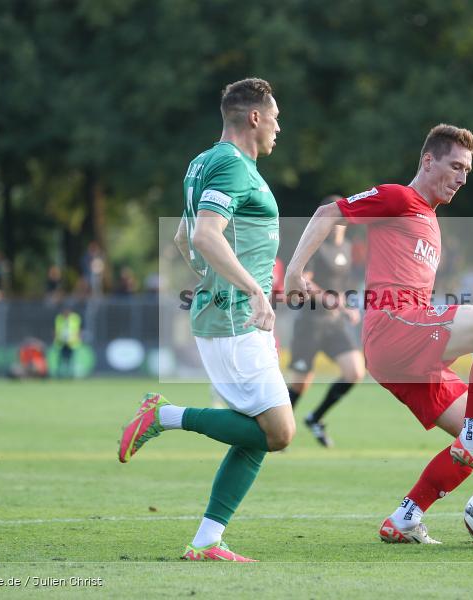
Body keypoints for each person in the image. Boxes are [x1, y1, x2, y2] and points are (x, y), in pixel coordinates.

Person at [285, 124, 473, 545]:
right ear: (428, 160)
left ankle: (405, 519)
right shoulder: (400, 197)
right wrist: (294, 270)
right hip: (397, 328)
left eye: (467, 170)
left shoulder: (429, 219)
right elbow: (328, 213)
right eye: (456, 166)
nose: (463, 177)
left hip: (406, 349)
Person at [117, 78, 293, 562]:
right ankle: (163, 415)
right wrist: (252, 289)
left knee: (256, 432)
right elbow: (205, 235)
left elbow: (182, 237)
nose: (279, 127)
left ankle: (206, 541)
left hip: (231, 315)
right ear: (254, 117)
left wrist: (214, 280)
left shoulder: (203, 162)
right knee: (278, 432)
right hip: (236, 318)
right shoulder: (235, 166)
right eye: (275, 117)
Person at [286, 196, 365, 447]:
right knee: (301, 384)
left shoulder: (346, 247)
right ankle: (274, 430)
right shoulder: (316, 245)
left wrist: (346, 305)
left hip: (333, 324)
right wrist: (332, 300)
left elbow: (341, 287)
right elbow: (304, 281)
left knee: (354, 371)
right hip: (310, 322)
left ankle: (315, 418)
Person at [53, 306, 82, 378]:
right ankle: (60, 375)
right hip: (61, 342)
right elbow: (56, 329)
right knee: (61, 360)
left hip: (72, 343)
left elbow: (78, 329)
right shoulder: (59, 318)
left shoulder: (75, 318)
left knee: (71, 360)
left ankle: (71, 375)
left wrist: (77, 338)